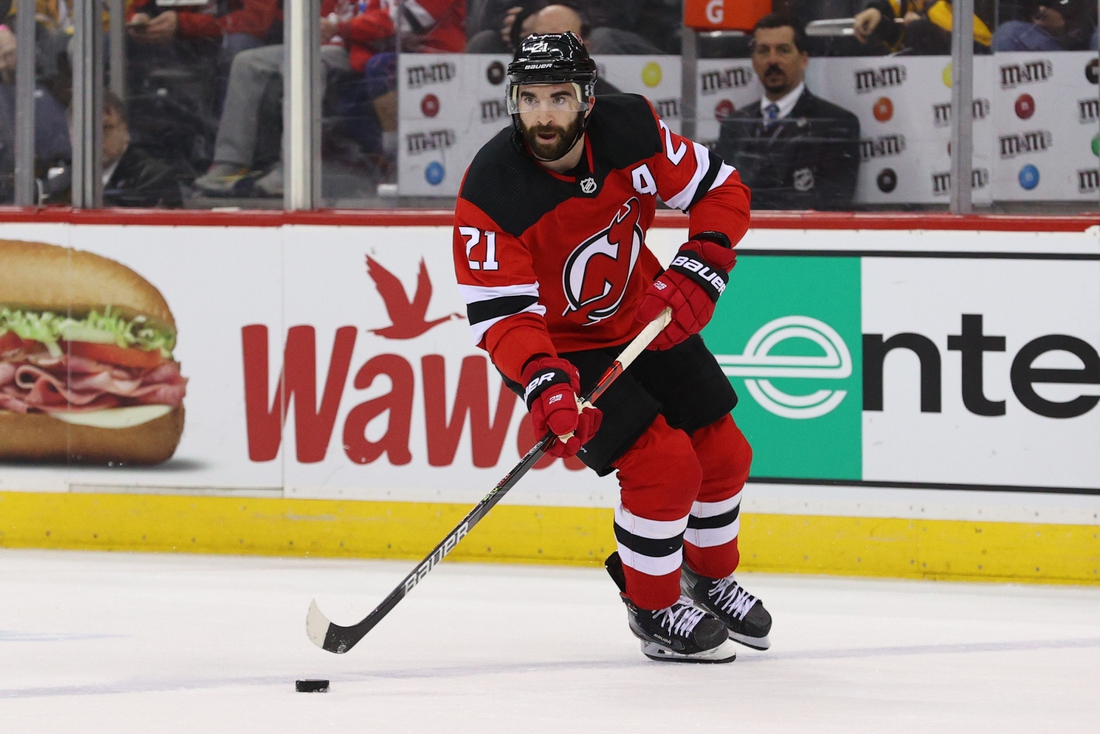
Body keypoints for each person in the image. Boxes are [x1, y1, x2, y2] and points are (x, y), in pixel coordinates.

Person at [452, 32, 771, 663]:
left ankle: (705, 577)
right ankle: (652, 607)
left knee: (725, 452)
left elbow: (722, 188)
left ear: (587, 100)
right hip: (562, 349)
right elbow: (504, 317)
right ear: (514, 101)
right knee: (663, 465)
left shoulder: (631, 131)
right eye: (530, 98)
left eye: (559, 97)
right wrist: (544, 382)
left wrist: (702, 263)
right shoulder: (491, 189)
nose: (543, 115)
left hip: (645, 315)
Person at [193, 0, 464, 197]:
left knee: (302, 63)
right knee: (248, 62)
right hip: (356, 46)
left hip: (408, 55)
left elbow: (409, 19)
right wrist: (335, 28)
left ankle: (292, 172)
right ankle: (230, 163)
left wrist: (340, 28)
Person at [716, 14, 860, 211]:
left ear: (803, 59)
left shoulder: (835, 123)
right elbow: (719, 197)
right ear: (753, 60)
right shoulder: (735, 124)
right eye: (763, 51)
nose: (772, 60)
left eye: (783, 50)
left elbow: (831, 202)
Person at [852, 0, 994, 54]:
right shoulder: (908, 6)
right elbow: (892, 7)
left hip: (980, 56)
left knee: (918, 29)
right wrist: (876, 10)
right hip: (932, 77)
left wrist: (924, 23)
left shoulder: (939, 6)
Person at [992, 0, 1098, 51]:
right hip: (1045, 48)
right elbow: (1009, 14)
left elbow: (1092, 21)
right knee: (1006, 35)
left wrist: (1063, 27)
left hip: (1086, 53)